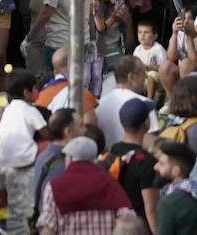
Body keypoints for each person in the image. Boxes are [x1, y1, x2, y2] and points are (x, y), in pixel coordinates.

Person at [36, 137, 136, 233]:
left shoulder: (54, 187)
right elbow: (129, 221)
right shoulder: (109, 183)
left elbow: (48, 229)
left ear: (70, 159)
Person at [99, 97, 162, 232]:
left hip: (117, 227)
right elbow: (151, 209)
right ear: (146, 122)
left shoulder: (111, 152)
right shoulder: (147, 162)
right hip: (138, 228)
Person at [0, 70, 44, 235]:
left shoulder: (8, 110)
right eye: (34, 89)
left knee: (4, 198)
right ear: (26, 92)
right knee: (23, 208)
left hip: (3, 162)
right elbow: (46, 133)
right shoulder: (29, 110)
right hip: (24, 163)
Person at [97, 57, 158, 148]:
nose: (146, 76)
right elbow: (153, 144)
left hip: (109, 159)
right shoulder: (144, 104)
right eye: (142, 73)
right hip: (138, 159)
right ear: (131, 77)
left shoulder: (99, 105)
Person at [153, 141, 197, 235]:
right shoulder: (193, 193)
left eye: (161, 164)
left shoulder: (169, 203)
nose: (155, 167)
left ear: (176, 171)